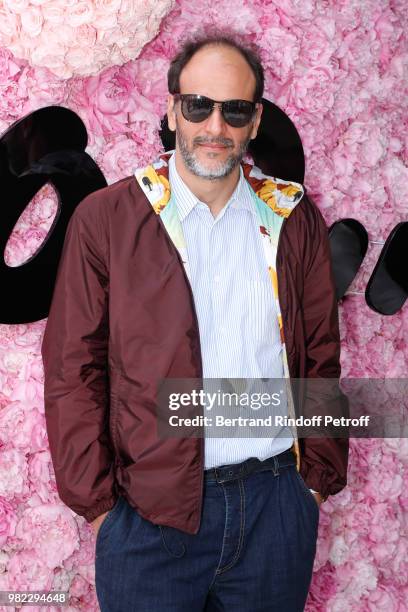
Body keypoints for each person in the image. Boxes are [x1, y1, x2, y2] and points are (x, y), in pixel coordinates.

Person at [41, 32, 349, 612]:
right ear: (171, 110)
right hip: (149, 520)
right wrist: (103, 509)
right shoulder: (106, 219)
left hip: (276, 507)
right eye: (198, 105)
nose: (215, 126)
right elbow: (71, 369)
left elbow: (319, 357)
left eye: (234, 110)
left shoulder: (292, 216)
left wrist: (312, 488)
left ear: (255, 120)